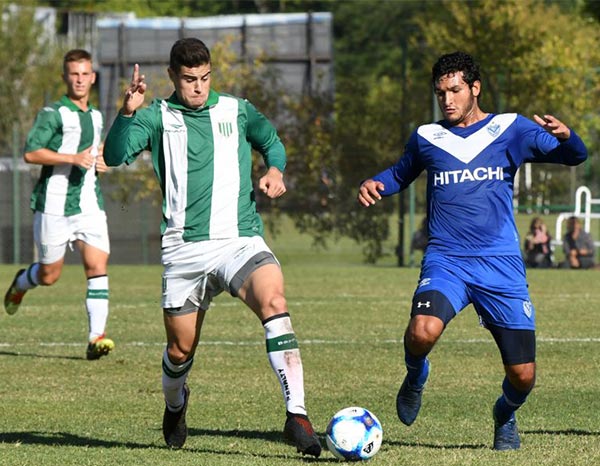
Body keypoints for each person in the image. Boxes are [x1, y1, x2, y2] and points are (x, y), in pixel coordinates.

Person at [357, 51, 587, 450]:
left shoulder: (510, 128)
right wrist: (375, 183)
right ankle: (415, 376)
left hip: (500, 266)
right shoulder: (428, 136)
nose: (447, 100)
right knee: (421, 332)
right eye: (440, 92)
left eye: (455, 90)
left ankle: (504, 415)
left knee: (524, 376)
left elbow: (574, 157)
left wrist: (569, 138)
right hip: (447, 259)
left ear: (475, 88)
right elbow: (399, 173)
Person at [103, 38, 321, 457]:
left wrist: (275, 169)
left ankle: (297, 416)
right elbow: (114, 156)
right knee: (180, 350)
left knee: (274, 301)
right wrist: (126, 112)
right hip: (184, 251)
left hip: (239, 239)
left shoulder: (237, 110)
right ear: (172, 77)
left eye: (204, 78)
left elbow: (272, 141)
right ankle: (174, 404)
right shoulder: (156, 117)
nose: (198, 87)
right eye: (189, 80)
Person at [3, 49, 114, 361]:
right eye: (73, 74)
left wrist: (100, 161)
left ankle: (96, 338)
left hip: (89, 202)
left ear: (93, 77)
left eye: (85, 74)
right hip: (53, 204)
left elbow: (92, 153)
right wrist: (71, 158)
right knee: (50, 276)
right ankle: (23, 281)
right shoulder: (52, 113)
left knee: (97, 266)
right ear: (66, 77)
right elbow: (31, 153)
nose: (79, 80)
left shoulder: (96, 115)